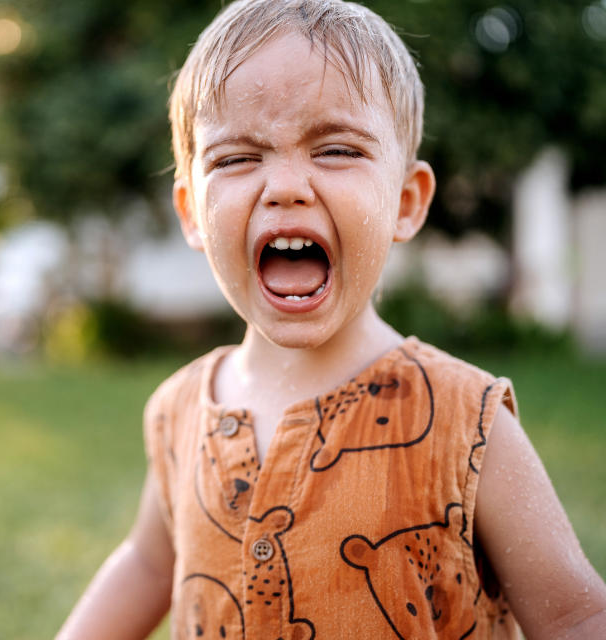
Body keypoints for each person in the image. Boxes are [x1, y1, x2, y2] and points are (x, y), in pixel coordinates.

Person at [56, 1, 606, 638]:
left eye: (337, 150)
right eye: (236, 158)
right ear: (192, 213)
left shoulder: (465, 422)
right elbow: (149, 563)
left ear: (405, 202)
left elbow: (575, 615)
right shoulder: (179, 413)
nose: (286, 186)